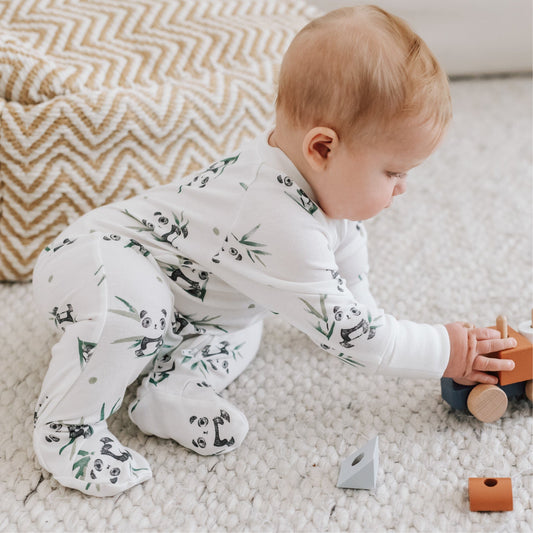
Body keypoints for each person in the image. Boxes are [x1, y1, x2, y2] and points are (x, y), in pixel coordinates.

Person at [31, 5, 516, 497]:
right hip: (97, 261)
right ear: (322, 149)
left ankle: (169, 392)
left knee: (243, 323)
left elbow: (350, 282)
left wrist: (357, 314)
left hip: (189, 303)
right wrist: (445, 351)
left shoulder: (324, 197)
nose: (402, 188)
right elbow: (355, 340)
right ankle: (66, 429)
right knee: (136, 315)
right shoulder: (275, 219)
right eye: (393, 172)